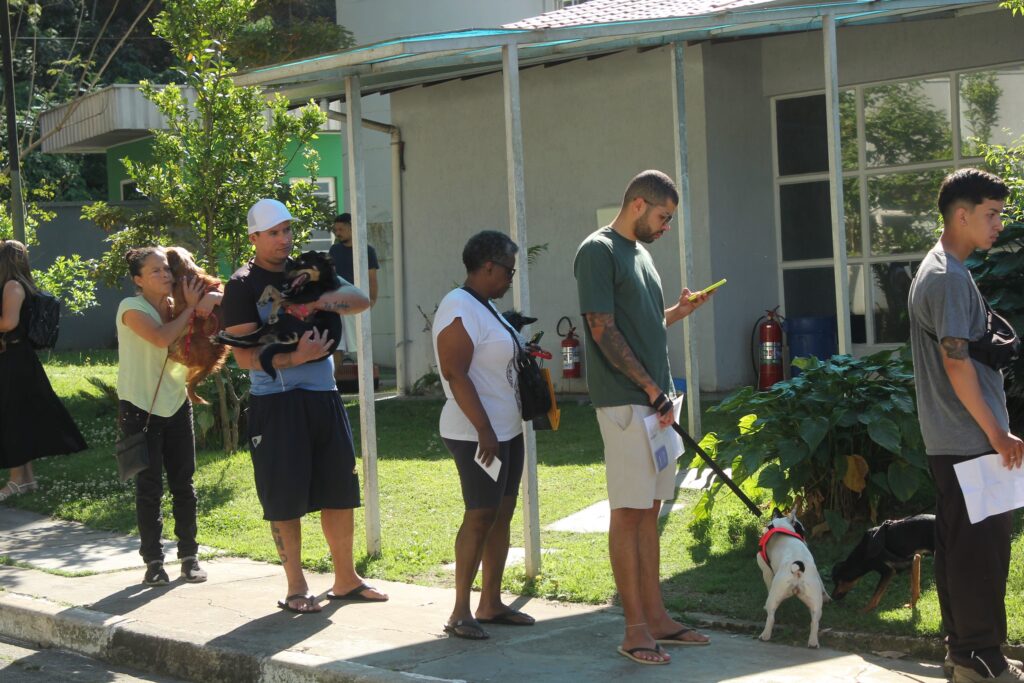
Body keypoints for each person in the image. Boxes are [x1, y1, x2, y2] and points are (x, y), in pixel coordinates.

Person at [221, 198, 388, 614]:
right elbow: (242, 357)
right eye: (274, 233)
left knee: (339, 490)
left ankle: (346, 580)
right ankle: (296, 586)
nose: (284, 239)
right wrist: (295, 358)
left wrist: (315, 302)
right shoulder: (241, 284)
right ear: (254, 237)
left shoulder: (307, 271)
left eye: (287, 230)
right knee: (284, 496)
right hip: (276, 403)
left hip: (323, 395)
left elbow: (360, 300)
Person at [573, 170, 712, 666]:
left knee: (650, 512)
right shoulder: (598, 251)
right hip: (628, 404)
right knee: (628, 513)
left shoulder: (641, 254)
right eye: (663, 217)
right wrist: (651, 389)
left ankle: (657, 618)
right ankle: (634, 631)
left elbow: (643, 325)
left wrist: (677, 312)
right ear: (637, 204)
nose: (666, 227)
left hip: (655, 405)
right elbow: (601, 328)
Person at [908, 168, 1024, 683]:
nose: (999, 223)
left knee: (960, 547)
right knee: (981, 553)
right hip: (970, 438)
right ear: (961, 214)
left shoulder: (940, 268)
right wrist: (997, 433)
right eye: (991, 214)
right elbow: (955, 363)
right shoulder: (949, 277)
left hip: (953, 438)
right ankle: (980, 658)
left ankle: (966, 655)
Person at [432, 230, 535, 641]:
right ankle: (460, 611)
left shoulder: (485, 306)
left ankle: (490, 602)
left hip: (506, 430)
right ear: (488, 266)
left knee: (501, 513)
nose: (511, 278)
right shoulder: (458, 307)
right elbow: (454, 373)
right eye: (509, 270)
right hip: (476, 432)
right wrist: (484, 430)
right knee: (479, 515)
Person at [117, 246, 218, 585]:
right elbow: (161, 338)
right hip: (139, 409)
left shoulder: (177, 304)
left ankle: (189, 557)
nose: (165, 274)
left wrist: (208, 299)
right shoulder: (131, 308)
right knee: (149, 488)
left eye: (166, 268)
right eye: (155, 271)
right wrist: (192, 308)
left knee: (184, 485)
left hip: (176, 403)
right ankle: (153, 562)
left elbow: (224, 297)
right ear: (138, 280)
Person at [0, 240, 87, 501]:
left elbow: (9, 322)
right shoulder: (16, 284)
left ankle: (16, 481)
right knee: (16, 415)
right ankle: (27, 480)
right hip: (14, 358)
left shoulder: (13, 286)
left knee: (12, 417)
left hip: (14, 359)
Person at [328, 213, 379, 357]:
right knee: (337, 343)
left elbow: (372, 279)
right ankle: (336, 372)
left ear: (352, 228)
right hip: (337, 303)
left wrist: (372, 300)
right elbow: (330, 276)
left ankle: (362, 371)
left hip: (358, 302)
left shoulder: (367, 250)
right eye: (335, 230)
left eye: (341, 229)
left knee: (360, 344)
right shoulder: (334, 250)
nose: (338, 233)